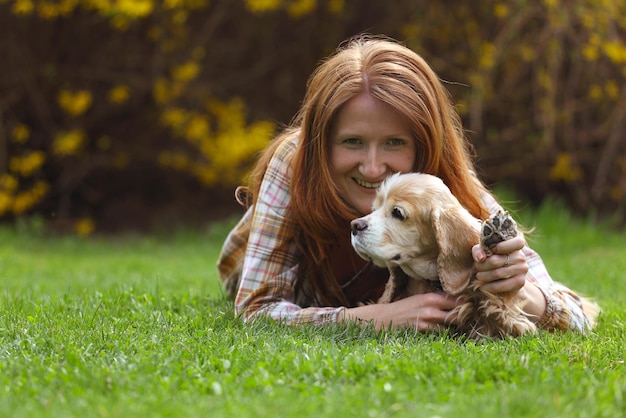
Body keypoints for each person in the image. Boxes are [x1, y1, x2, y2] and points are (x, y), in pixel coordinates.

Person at [217, 34, 596, 333]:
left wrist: (521, 291)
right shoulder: (297, 161)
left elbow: (576, 316)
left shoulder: (438, 186)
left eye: (394, 143)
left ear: (424, 144)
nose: (371, 167)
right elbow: (256, 309)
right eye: (352, 142)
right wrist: (375, 319)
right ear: (322, 141)